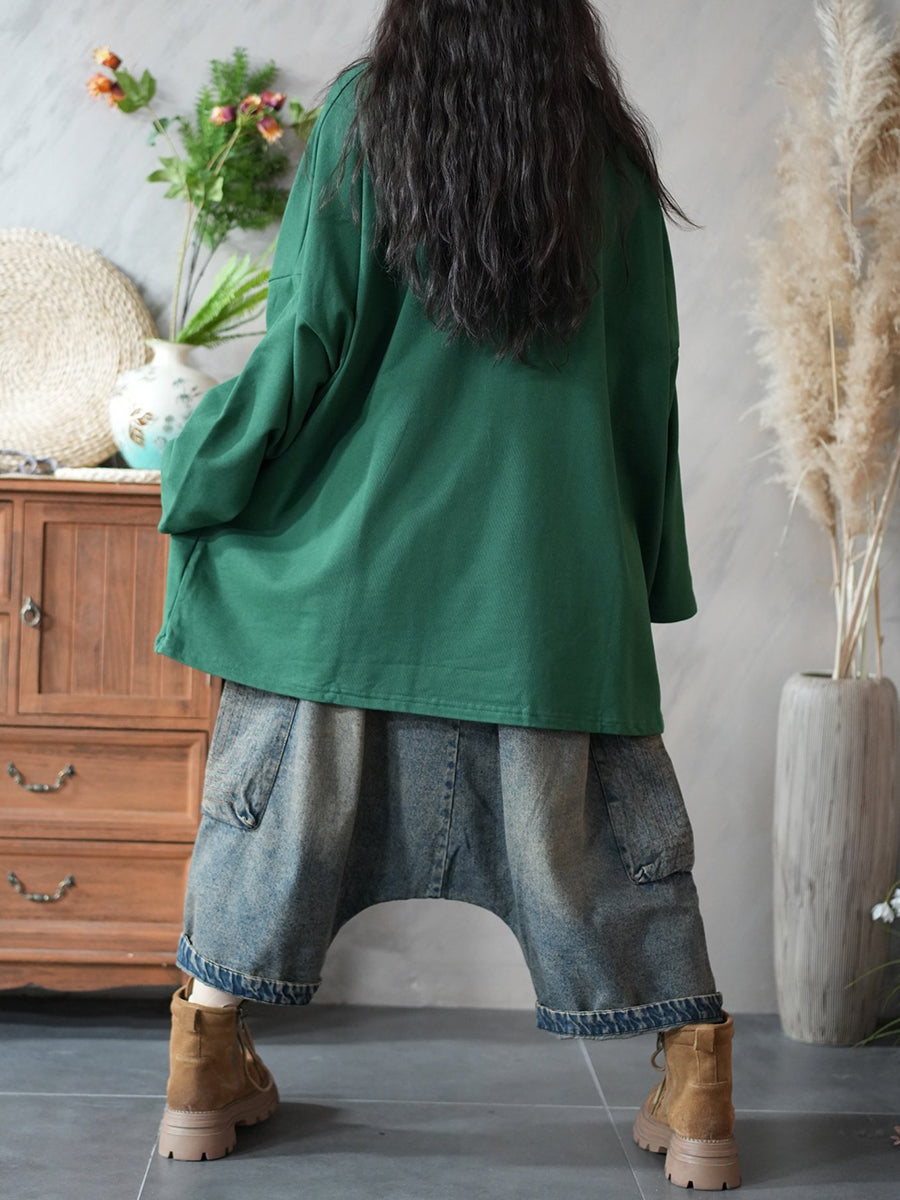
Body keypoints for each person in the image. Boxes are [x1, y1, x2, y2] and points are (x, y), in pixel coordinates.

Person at [153, 0, 741, 1189]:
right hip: (541, 589)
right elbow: (646, 383)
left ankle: (205, 1057)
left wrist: (201, 468)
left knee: (278, 825)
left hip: (357, 585)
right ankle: (696, 1081)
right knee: (605, 849)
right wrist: (628, 570)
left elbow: (306, 341)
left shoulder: (364, 118)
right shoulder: (605, 154)